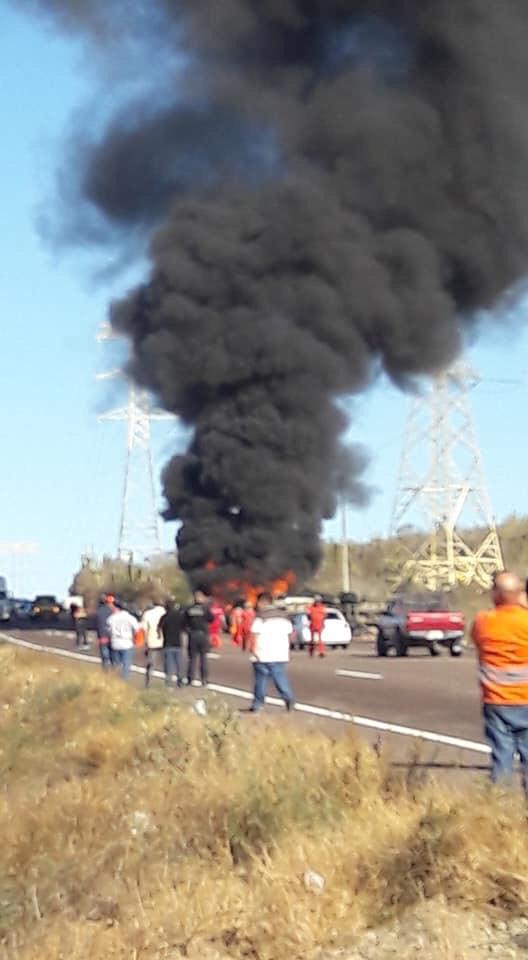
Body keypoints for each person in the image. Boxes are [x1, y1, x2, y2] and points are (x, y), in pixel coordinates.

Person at [472, 571, 528, 791]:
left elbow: (477, 641)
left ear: (495, 594)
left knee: (501, 759)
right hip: (526, 699)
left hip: (496, 700)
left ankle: (498, 810)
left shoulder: (483, 622)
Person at [249, 592, 295, 713]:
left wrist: (253, 650)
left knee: (261, 681)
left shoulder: (260, 617)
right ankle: (288, 698)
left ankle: (258, 704)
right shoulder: (284, 617)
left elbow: (254, 635)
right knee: (280, 678)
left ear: (262, 602)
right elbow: (290, 635)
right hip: (280, 654)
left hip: (262, 654)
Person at [184, 588, 214, 687]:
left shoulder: (189, 609)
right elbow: (211, 619)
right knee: (203, 659)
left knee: (192, 658)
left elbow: (185, 621)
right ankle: (204, 679)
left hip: (192, 635)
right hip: (203, 635)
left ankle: (190, 678)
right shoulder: (205, 609)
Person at [107, 600, 140, 681]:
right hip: (127, 642)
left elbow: (108, 629)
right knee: (126, 664)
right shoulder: (130, 618)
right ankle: (124, 680)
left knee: (116, 664)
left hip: (115, 642)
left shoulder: (111, 618)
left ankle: (115, 680)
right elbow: (137, 629)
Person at [141, 598, 167, 688]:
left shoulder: (147, 614)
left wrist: (145, 642)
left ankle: (149, 682)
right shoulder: (165, 612)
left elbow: (144, 629)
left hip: (152, 641)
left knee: (151, 663)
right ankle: (167, 683)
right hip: (165, 641)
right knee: (167, 662)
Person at [159, 599, 185, 687]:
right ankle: (180, 679)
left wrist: (160, 636)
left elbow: (159, 628)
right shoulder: (179, 616)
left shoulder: (164, 617)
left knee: (169, 664)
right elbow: (184, 627)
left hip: (167, 644)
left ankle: (168, 681)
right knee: (179, 664)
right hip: (177, 643)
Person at [96, 593, 116, 670]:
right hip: (112, 636)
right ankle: (114, 670)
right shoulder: (113, 610)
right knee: (113, 655)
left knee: (105, 657)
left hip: (102, 636)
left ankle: (106, 672)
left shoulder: (99, 611)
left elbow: (97, 624)